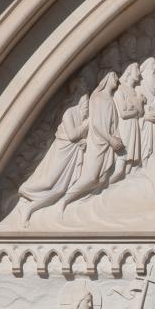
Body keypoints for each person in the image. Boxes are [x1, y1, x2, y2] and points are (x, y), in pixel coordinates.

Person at [18, 94, 89, 224]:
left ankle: (29, 208)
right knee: (48, 183)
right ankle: (24, 191)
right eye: (85, 102)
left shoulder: (82, 115)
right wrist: (86, 126)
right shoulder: (69, 113)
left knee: (60, 190)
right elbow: (73, 135)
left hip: (71, 156)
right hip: (62, 153)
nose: (87, 107)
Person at [60, 71, 124, 211]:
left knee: (102, 179)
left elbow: (114, 123)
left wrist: (116, 137)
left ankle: (84, 205)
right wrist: (110, 139)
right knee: (91, 177)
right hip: (98, 143)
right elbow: (95, 123)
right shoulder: (97, 97)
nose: (117, 79)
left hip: (109, 144)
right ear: (106, 78)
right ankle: (64, 200)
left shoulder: (111, 100)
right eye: (114, 76)